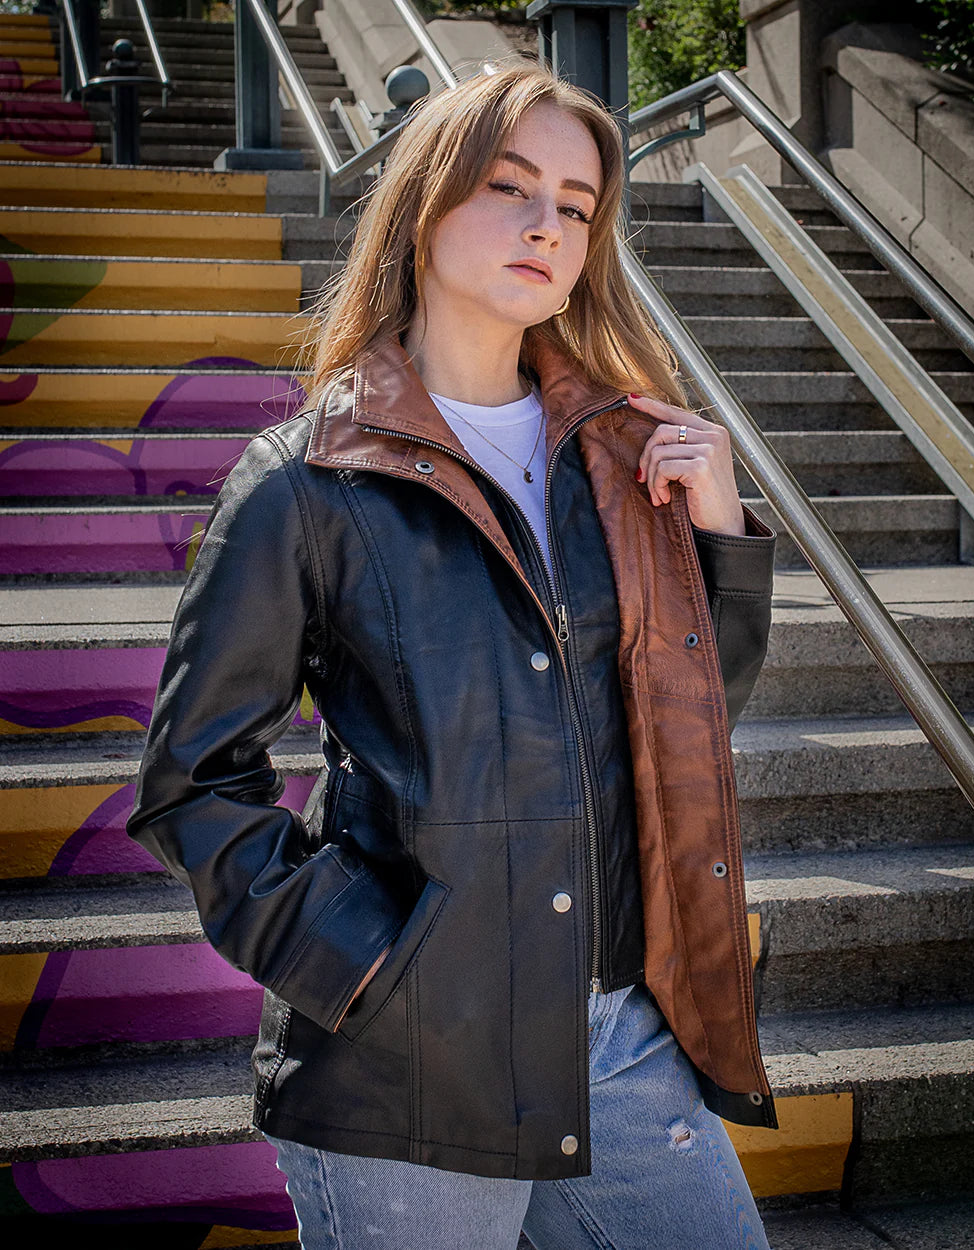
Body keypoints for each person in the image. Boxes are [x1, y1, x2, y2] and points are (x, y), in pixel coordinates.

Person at [128, 63, 778, 1250]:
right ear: (425, 202)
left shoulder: (622, 456)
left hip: (618, 1036)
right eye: (510, 186)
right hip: (409, 1063)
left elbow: (683, 724)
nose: (547, 225)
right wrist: (374, 968)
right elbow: (193, 783)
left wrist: (718, 535)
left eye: (576, 205)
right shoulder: (305, 480)